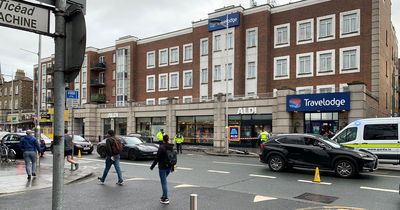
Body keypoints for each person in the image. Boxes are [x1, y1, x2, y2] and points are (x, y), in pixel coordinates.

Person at [150, 135, 174, 204]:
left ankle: (166, 198)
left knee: (164, 183)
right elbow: (172, 158)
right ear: (168, 139)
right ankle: (163, 196)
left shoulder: (161, 147)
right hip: (169, 167)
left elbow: (157, 158)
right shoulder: (171, 147)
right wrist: (172, 167)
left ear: (163, 140)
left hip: (162, 167)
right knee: (164, 181)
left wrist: (152, 166)